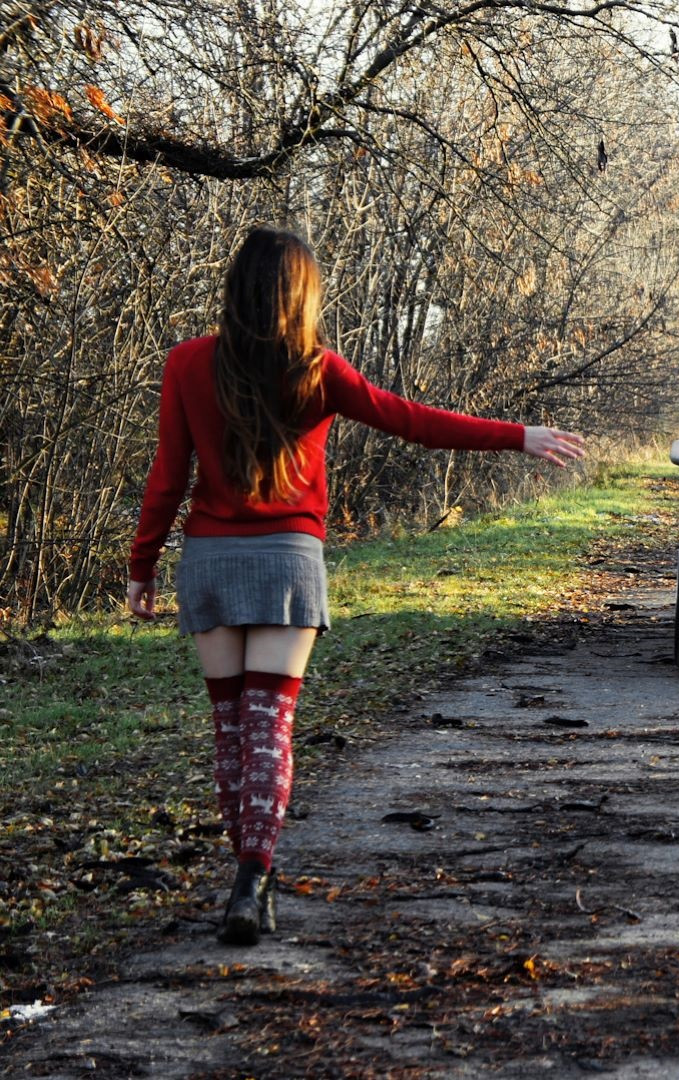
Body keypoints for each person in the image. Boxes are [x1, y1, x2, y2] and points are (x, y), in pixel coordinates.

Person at [126, 227, 586, 947]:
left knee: (229, 731)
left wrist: (141, 566)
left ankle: (242, 877)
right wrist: (516, 435)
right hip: (288, 560)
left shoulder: (186, 363)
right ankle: (255, 875)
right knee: (270, 727)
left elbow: (167, 478)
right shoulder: (318, 370)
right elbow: (413, 423)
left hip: (212, 561)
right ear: (300, 295)